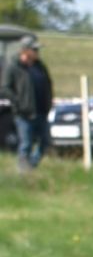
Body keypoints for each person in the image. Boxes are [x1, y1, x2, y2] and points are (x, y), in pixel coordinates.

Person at [6, 37, 52, 169]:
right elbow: (5, 88)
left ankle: (31, 165)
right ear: (25, 51)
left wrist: (49, 101)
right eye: (34, 49)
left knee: (45, 142)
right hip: (24, 113)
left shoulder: (40, 67)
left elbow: (48, 84)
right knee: (26, 143)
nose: (37, 52)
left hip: (41, 112)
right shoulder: (14, 67)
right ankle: (23, 172)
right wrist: (18, 102)